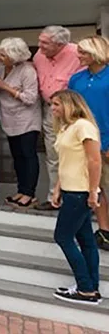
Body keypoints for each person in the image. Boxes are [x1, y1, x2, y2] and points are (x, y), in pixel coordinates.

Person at [48, 90, 102, 305]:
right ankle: (91, 287)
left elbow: (94, 161)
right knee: (86, 240)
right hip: (70, 189)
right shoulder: (65, 128)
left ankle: (85, 287)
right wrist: (57, 188)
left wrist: (92, 191)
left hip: (81, 192)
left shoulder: (83, 126)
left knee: (62, 237)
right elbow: (66, 161)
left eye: (56, 104)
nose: (52, 109)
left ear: (69, 105)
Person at [34, 26, 84, 211]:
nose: (40, 46)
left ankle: (79, 199)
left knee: (76, 154)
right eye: (40, 41)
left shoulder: (77, 53)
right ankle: (54, 197)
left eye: (45, 43)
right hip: (51, 110)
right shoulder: (39, 56)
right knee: (53, 154)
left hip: (74, 111)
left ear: (60, 44)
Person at [0, 37, 42, 208]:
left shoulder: (27, 71)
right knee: (17, 156)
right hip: (8, 119)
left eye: (3, 55)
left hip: (27, 119)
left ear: (15, 56)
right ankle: (21, 189)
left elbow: (30, 98)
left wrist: (4, 86)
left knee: (28, 155)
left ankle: (30, 193)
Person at [68, 36, 109, 250]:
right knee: (96, 188)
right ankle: (104, 231)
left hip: (106, 140)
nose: (79, 56)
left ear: (96, 53)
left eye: (83, 52)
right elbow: (71, 112)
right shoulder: (76, 79)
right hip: (84, 141)